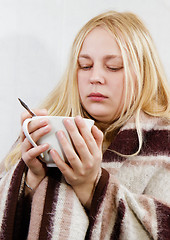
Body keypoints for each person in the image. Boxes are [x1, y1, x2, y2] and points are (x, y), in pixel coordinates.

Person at [0, 10, 170, 240]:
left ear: (143, 73)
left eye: (113, 67)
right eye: (85, 65)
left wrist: (92, 185)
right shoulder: (45, 132)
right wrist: (30, 179)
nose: (95, 77)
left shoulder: (164, 143)